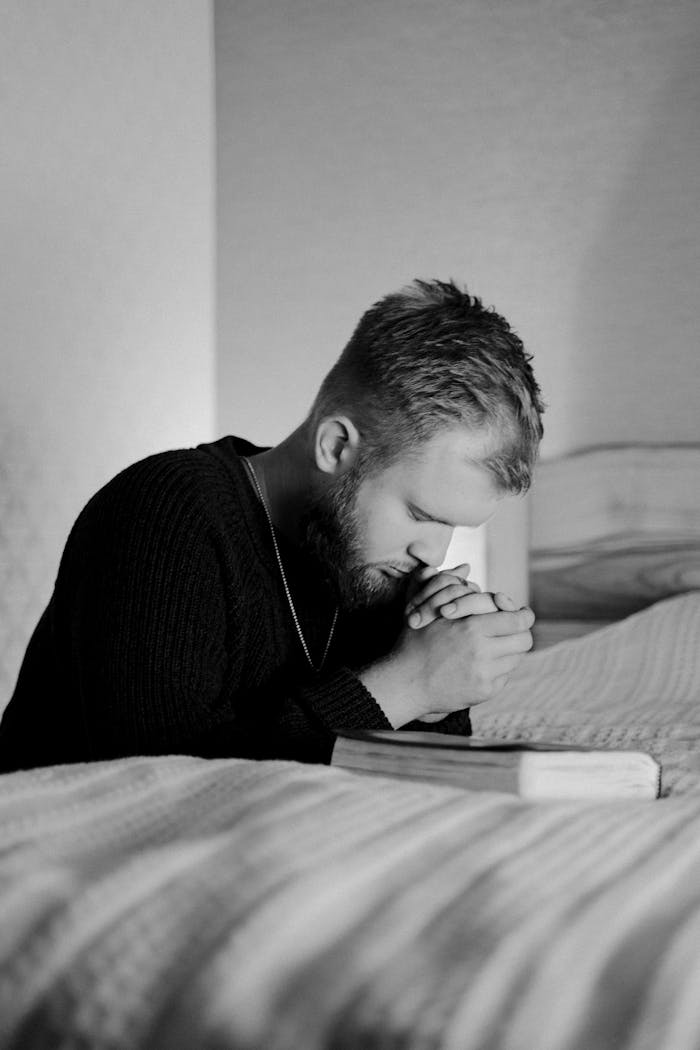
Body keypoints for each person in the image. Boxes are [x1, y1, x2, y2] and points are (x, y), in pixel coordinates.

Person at [0, 279, 544, 772]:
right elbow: (157, 782)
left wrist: (444, 667)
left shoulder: (367, 565)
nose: (434, 552)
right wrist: (409, 684)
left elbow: (399, 776)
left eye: (454, 528)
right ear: (336, 446)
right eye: (422, 515)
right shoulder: (166, 510)